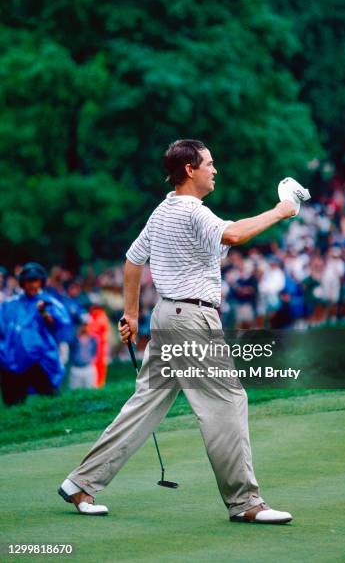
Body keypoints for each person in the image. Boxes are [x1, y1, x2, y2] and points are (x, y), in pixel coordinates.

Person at [58, 139, 297, 523]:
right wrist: (281, 211)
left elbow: (133, 261)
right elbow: (234, 234)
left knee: (144, 405)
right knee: (226, 402)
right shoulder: (191, 211)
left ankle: (81, 483)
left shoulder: (163, 210)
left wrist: (133, 315)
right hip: (191, 321)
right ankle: (246, 503)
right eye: (209, 163)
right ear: (189, 169)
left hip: (166, 317)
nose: (215, 170)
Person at [0, 262, 72, 406]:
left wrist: (43, 312)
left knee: (51, 399)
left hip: (39, 360)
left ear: (41, 282)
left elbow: (57, 324)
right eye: (29, 281)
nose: (32, 285)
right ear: (22, 283)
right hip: (11, 360)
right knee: (13, 404)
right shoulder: (10, 304)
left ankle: (57, 425)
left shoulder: (47, 302)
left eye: (35, 281)